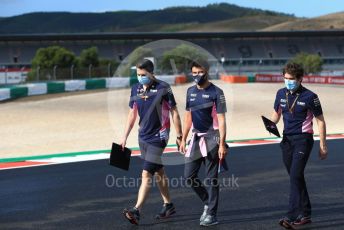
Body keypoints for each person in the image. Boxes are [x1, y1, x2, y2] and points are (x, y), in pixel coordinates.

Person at [120, 59, 183, 225]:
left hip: (159, 137)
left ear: (151, 73)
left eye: (143, 75)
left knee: (146, 173)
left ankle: (137, 210)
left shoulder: (163, 88)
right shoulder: (135, 88)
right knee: (158, 171)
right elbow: (132, 114)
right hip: (143, 136)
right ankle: (168, 205)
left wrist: (179, 135)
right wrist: (125, 136)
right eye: (138, 75)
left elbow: (174, 112)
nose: (140, 78)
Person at [271, 62, 328, 229]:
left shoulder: (311, 96)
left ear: (300, 79)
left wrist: (323, 145)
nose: (288, 81)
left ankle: (291, 215)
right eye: (286, 78)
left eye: (292, 79)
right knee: (296, 177)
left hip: (303, 139)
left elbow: (321, 122)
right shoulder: (280, 93)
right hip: (286, 140)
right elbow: (276, 115)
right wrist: (270, 124)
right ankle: (305, 212)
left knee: (295, 175)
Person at [180, 59, 228, 227]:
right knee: (189, 176)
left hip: (212, 138)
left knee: (211, 178)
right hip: (195, 138)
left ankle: (212, 214)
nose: (197, 75)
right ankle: (208, 202)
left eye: (200, 72)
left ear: (206, 72)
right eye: (194, 73)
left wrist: (222, 144)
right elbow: (188, 117)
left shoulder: (217, 92)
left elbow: (221, 120)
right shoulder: (190, 91)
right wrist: (183, 138)